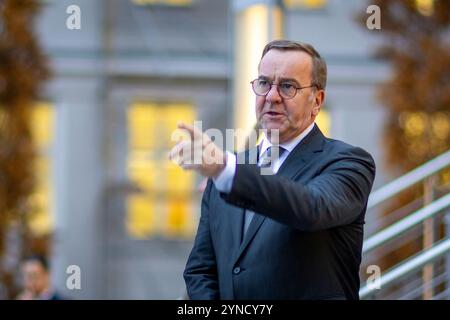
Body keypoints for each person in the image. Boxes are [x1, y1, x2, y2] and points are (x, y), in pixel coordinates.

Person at [169, 40, 376, 300]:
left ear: (317, 100)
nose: (272, 96)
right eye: (264, 83)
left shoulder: (349, 162)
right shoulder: (227, 172)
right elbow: (201, 271)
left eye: (288, 86)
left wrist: (225, 169)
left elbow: (310, 208)